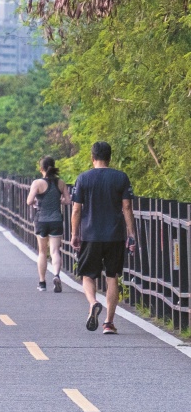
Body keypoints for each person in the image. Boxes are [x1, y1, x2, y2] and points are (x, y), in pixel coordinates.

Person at [70, 141, 137, 334]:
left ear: (92, 158)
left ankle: (93, 303)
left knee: (87, 276)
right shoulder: (120, 178)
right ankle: (108, 322)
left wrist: (75, 234)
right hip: (114, 235)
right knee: (112, 277)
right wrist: (131, 234)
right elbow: (127, 208)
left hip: (90, 235)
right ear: (110, 157)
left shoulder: (83, 179)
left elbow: (76, 209)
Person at [26, 156, 67, 292]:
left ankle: (42, 283)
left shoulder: (37, 183)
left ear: (41, 168)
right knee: (55, 251)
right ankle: (56, 275)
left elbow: (29, 201)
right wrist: (59, 200)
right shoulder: (60, 183)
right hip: (56, 220)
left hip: (41, 220)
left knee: (42, 252)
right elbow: (68, 200)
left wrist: (35, 203)